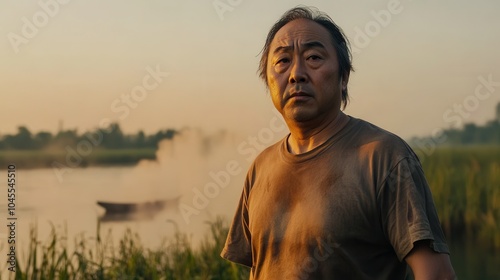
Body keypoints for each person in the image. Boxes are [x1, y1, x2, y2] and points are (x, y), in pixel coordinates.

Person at [221, 6, 456, 280]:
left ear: (343, 78)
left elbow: (436, 274)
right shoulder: (261, 167)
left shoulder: (383, 158)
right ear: (269, 81)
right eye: (282, 61)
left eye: (313, 57)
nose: (296, 74)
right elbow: (259, 270)